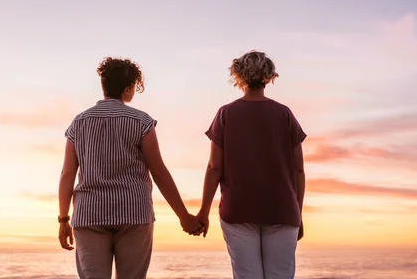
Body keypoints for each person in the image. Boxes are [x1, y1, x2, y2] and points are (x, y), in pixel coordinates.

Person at [57, 57, 203, 279]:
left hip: (89, 215)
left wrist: (63, 219)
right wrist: (184, 216)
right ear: (128, 89)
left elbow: (67, 174)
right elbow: (159, 172)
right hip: (134, 213)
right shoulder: (142, 122)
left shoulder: (80, 122)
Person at [197, 50, 307, 279]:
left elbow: (214, 168)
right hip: (282, 209)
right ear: (269, 76)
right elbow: (298, 169)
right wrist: (299, 212)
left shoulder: (226, 113)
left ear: (239, 75)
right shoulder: (284, 114)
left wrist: (203, 212)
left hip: (238, 209)